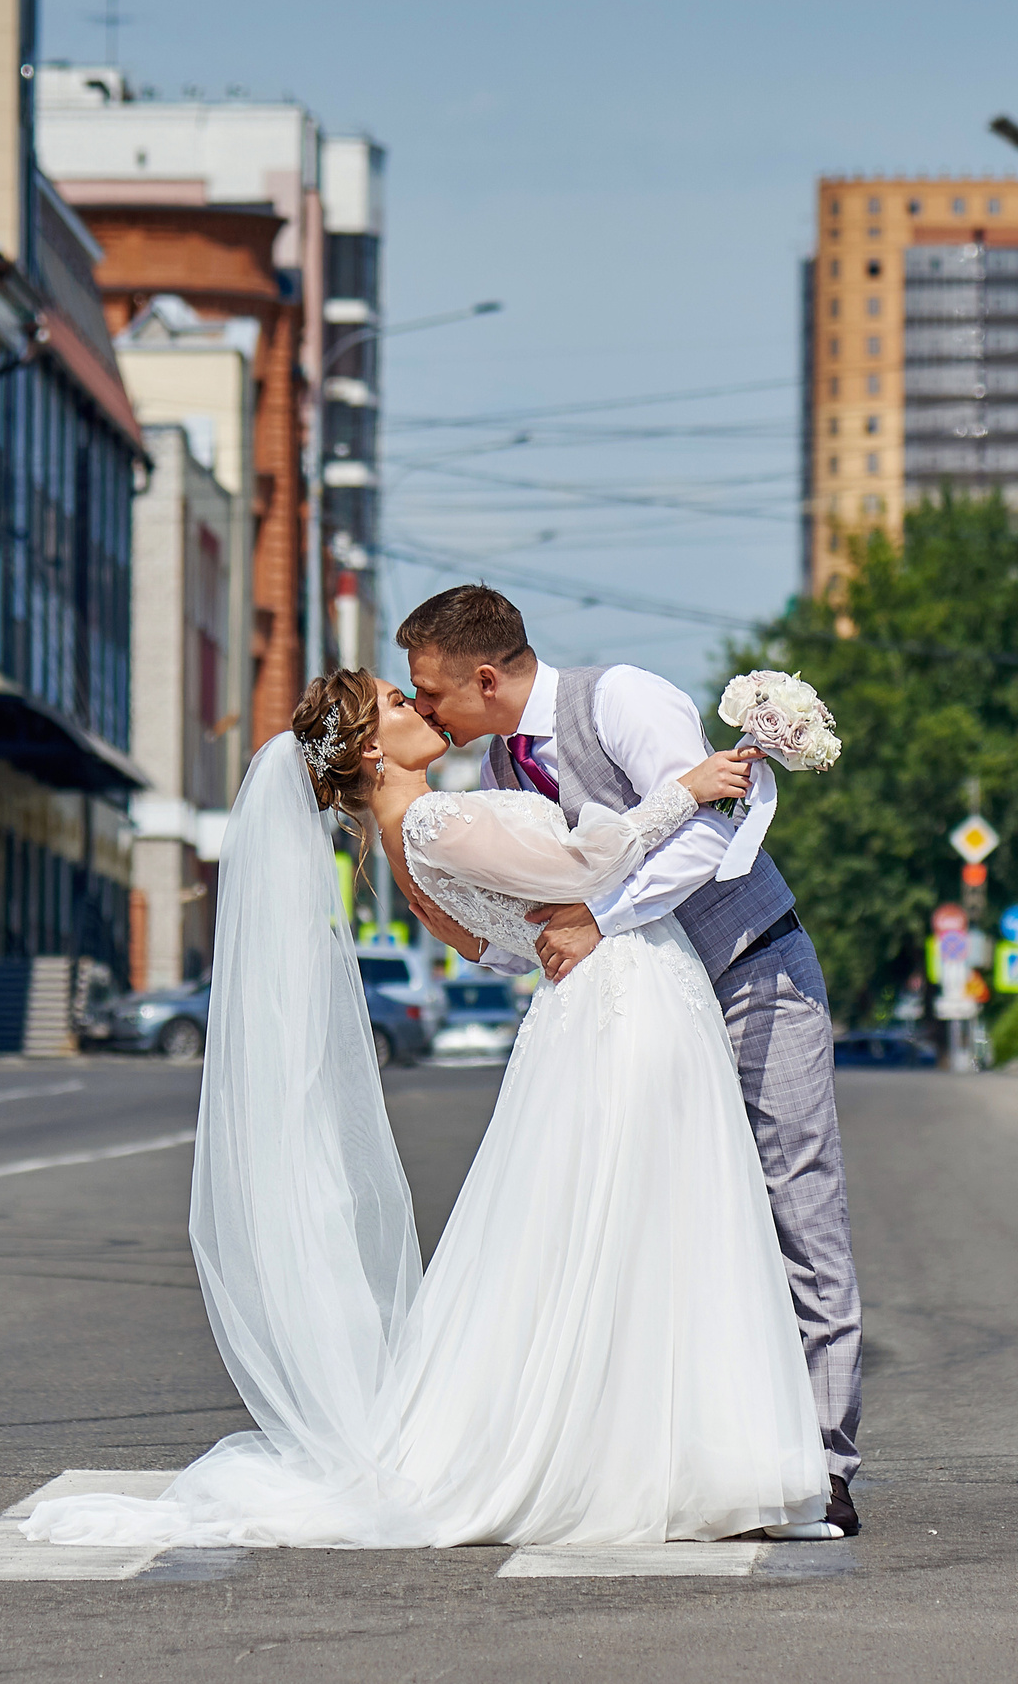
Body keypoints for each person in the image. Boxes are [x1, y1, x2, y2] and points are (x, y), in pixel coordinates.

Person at [24, 672, 828, 1549]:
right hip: (620, 997)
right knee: (643, 1220)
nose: (422, 708)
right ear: (372, 748)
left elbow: (497, 943)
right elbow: (582, 868)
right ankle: (660, 1458)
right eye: (401, 704)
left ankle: (660, 1452)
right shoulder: (434, 821)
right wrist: (686, 790)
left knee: (627, 1227)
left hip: (614, 996)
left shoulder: (422, 831)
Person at [396, 586, 861, 1538]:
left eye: (431, 691)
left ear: (485, 677)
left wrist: (598, 919)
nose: (425, 710)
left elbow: (709, 827)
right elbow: (550, 892)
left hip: (749, 970)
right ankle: (687, 1446)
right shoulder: (499, 763)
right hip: (645, 1006)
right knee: (666, 1218)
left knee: (795, 1202)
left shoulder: (619, 699)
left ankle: (823, 1458)